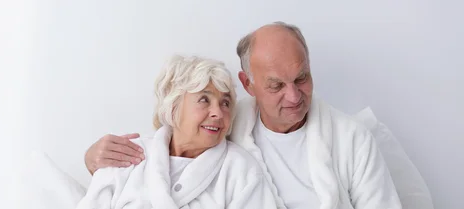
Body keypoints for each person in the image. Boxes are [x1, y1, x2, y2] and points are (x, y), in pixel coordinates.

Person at [84, 22, 403, 209]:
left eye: (302, 78)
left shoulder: (352, 141)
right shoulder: (223, 126)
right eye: (276, 85)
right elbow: (173, 139)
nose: (294, 96)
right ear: (248, 84)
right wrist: (95, 160)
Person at [76, 55, 278, 209]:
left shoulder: (242, 170)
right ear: (173, 106)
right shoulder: (128, 154)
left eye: (225, 103)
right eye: (204, 100)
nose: (218, 113)